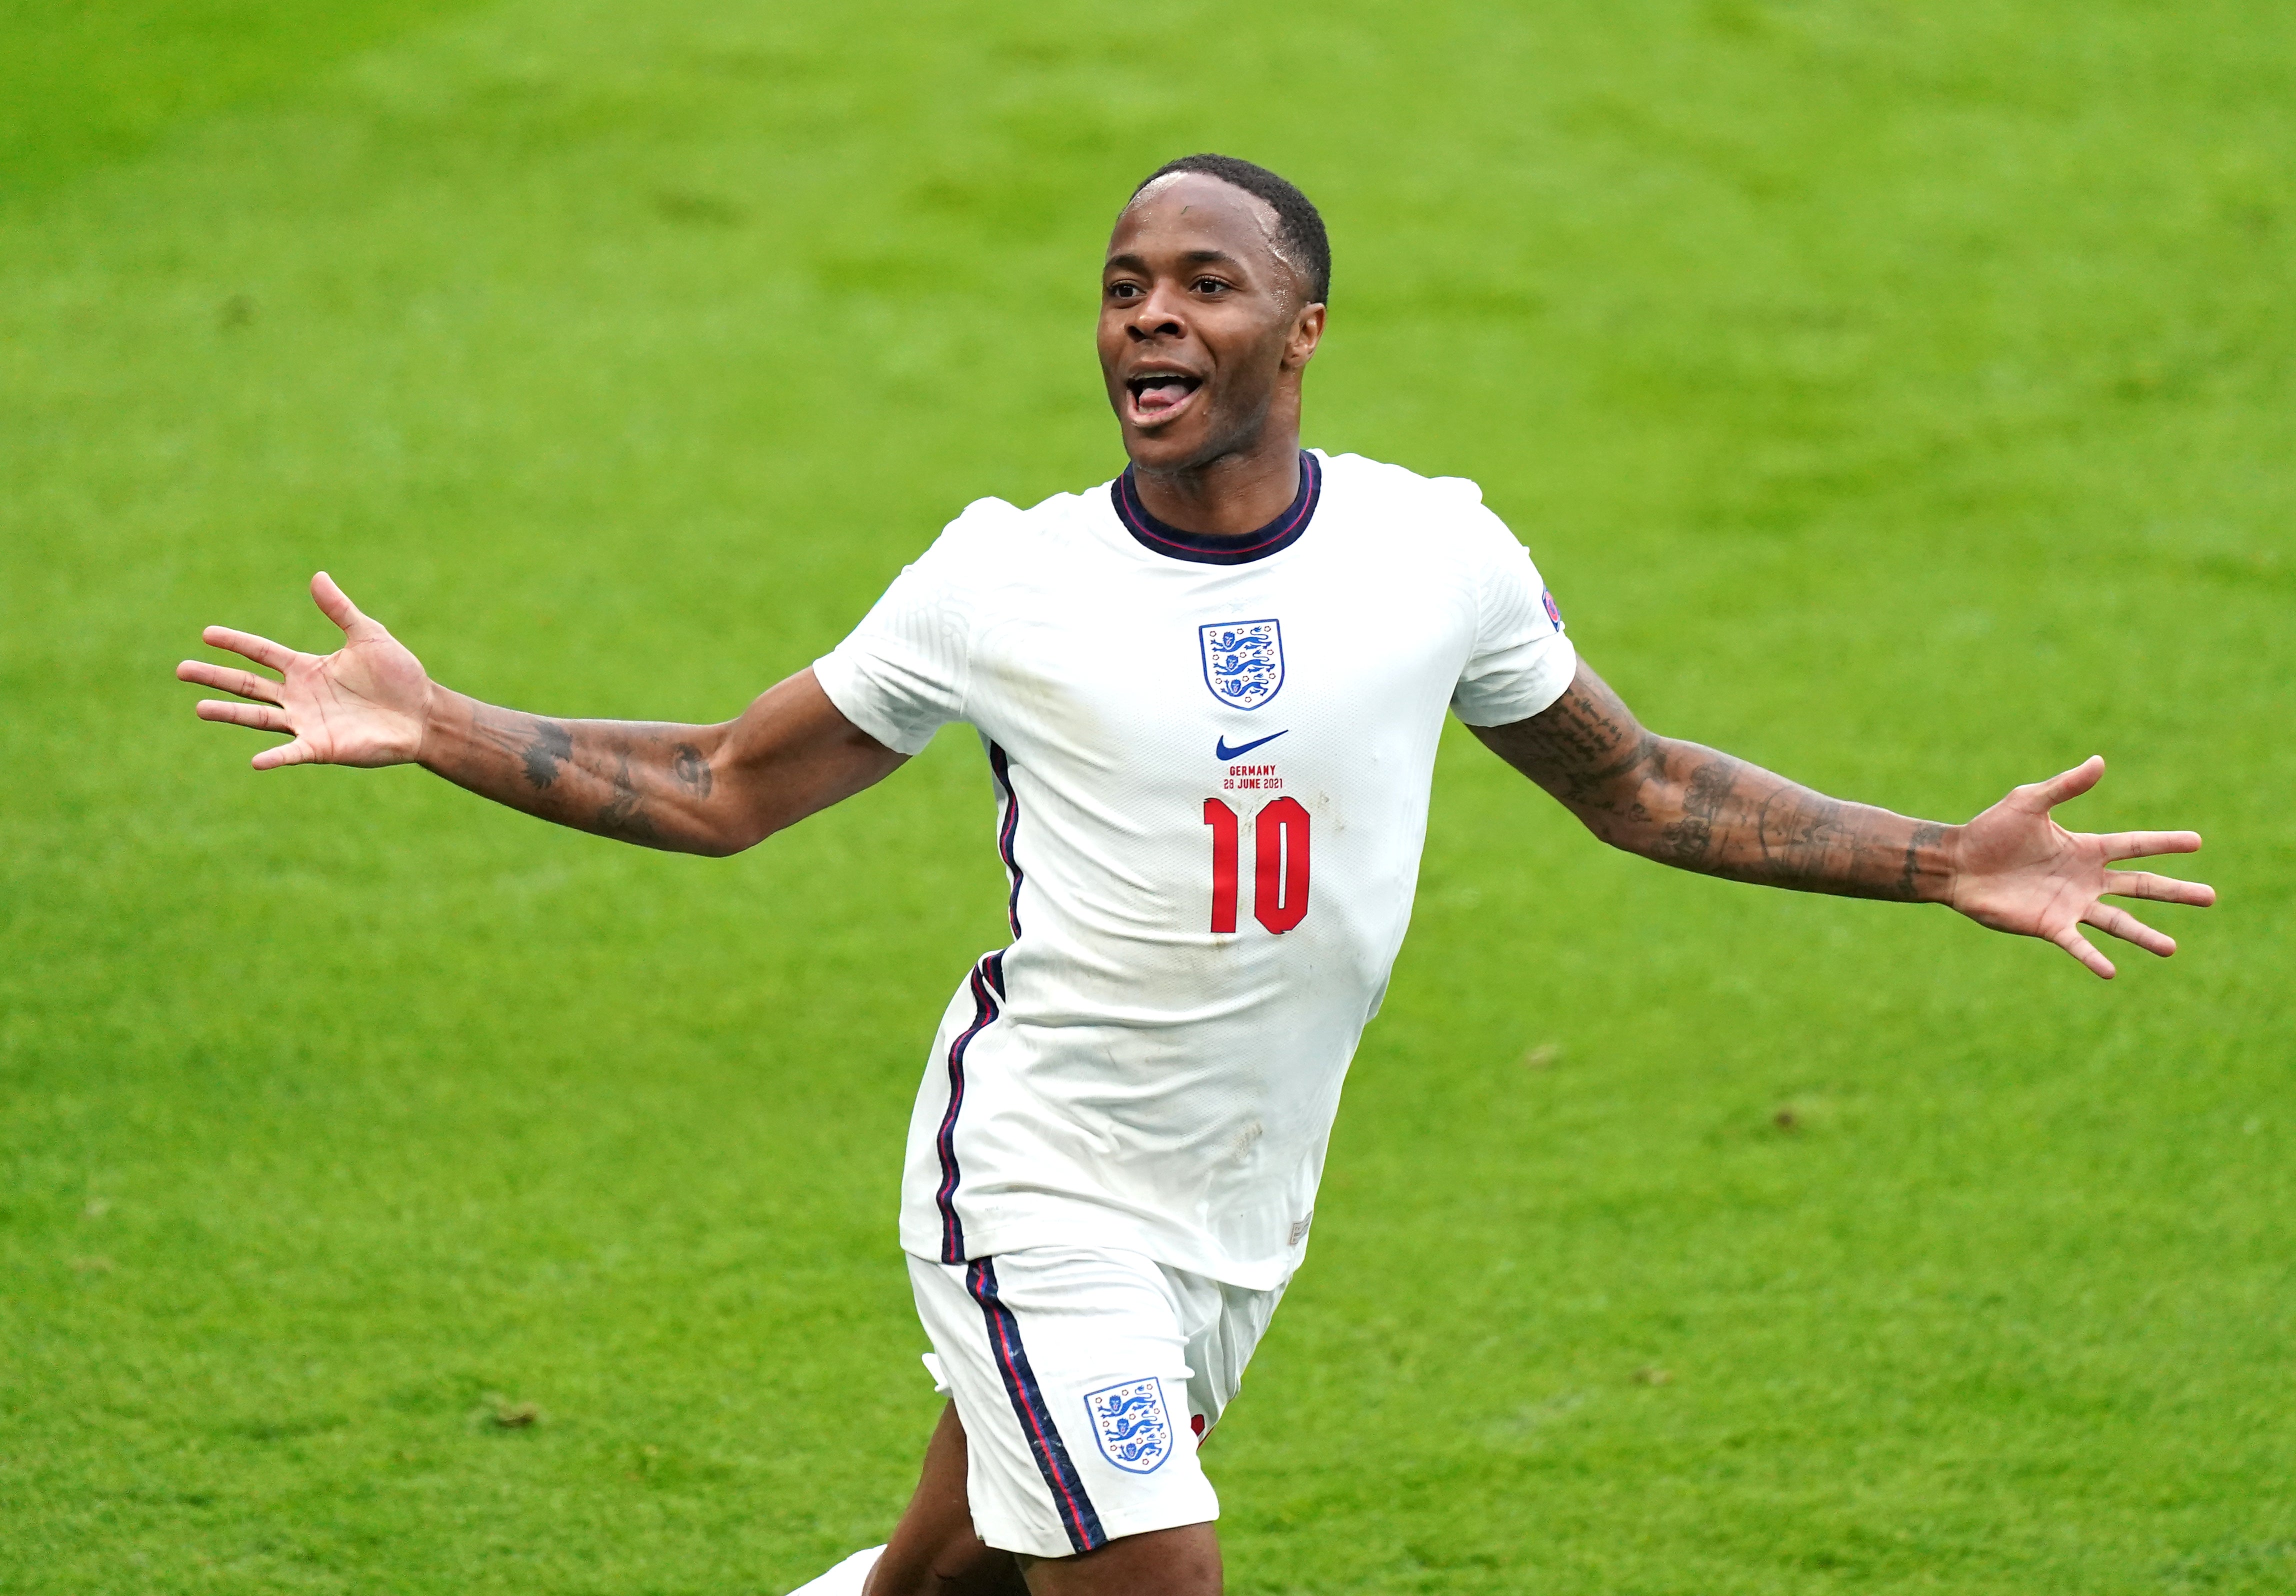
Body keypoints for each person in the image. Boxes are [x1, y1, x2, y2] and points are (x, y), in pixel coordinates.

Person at [177, 154, 2213, 1596]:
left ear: (1299, 331)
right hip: (1035, 1175)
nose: (1149, 312)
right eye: (1122, 282)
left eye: (1203, 283)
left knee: (974, 1554)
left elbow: (1644, 788)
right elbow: (723, 782)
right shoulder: (1007, 578)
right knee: (1146, 1564)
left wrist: (1941, 859)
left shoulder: (1438, 558)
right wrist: (437, 725)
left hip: (1241, 1208)